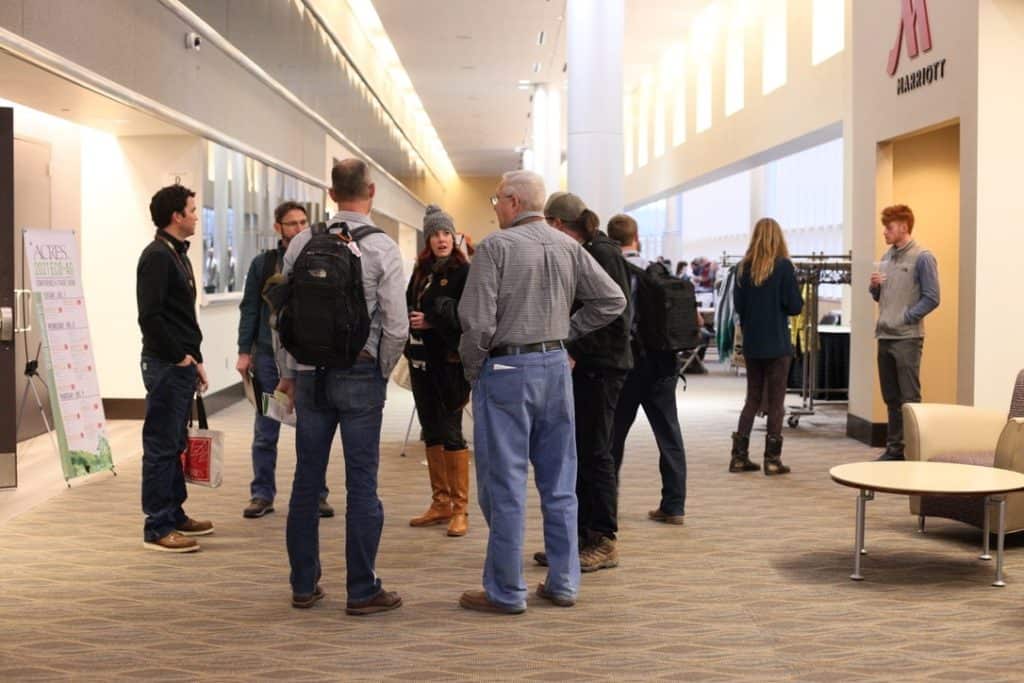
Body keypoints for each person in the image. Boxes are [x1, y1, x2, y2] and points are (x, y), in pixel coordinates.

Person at [457, 171, 625, 614]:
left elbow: (476, 323)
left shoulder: (496, 248)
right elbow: (612, 300)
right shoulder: (568, 246)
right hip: (555, 368)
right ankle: (564, 583)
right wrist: (563, 335)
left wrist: (473, 372)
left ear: (512, 202)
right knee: (560, 483)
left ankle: (507, 591)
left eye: (496, 200)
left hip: (508, 368)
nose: (495, 208)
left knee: (505, 484)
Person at [275, 159, 408, 614]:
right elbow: (396, 325)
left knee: (306, 481)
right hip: (359, 373)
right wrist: (380, 367)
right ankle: (362, 589)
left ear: (331, 195)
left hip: (310, 376)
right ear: (371, 190)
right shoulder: (383, 248)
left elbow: (283, 318)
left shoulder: (302, 243)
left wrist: (289, 373)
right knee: (362, 484)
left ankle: (303, 584)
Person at [537, 192, 632, 573]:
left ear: (559, 224)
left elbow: (615, 314)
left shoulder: (601, 253)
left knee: (596, 453)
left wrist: (572, 341)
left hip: (602, 368)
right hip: (588, 365)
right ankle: (574, 539)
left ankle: (603, 539)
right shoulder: (588, 249)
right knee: (578, 453)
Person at [236, 202, 333, 519]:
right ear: (278, 227)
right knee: (267, 426)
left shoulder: (320, 259)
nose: (299, 228)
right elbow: (250, 308)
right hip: (269, 359)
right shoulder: (264, 264)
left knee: (312, 428)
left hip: (307, 360)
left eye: (303, 222)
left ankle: (316, 494)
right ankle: (262, 493)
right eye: (291, 223)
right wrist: (244, 352)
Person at [136, 184, 212, 553]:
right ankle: (158, 526)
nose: (197, 216)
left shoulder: (177, 254)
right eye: (193, 210)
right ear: (176, 216)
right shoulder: (157, 257)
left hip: (181, 364)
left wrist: (194, 360)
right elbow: (150, 316)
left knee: (176, 443)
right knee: (162, 446)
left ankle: (175, 513)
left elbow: (181, 317)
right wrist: (179, 357)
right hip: (166, 365)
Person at [607, 214, 688, 526]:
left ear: (611, 241)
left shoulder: (612, 271)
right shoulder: (658, 270)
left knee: (612, 437)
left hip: (626, 364)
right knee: (669, 433)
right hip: (662, 363)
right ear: (636, 238)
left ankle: (607, 504)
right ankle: (674, 504)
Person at [406, 205, 472, 537]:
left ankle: (460, 508)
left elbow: (468, 318)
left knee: (451, 433)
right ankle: (440, 502)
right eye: (435, 234)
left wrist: (431, 322)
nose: (442, 239)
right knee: (431, 432)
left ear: (453, 236)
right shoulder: (421, 271)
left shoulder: (463, 272)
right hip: (419, 362)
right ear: (428, 239)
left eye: (446, 233)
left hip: (448, 364)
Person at [729, 218, 804, 475]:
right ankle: (772, 460)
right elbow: (795, 306)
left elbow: (738, 307)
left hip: (752, 343)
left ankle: (739, 456)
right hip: (777, 344)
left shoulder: (742, 268)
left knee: (752, 398)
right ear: (777, 238)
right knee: (776, 402)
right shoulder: (784, 267)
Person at [869, 204, 939, 461]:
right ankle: (895, 449)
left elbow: (932, 298)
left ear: (903, 227)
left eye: (888, 227)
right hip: (884, 336)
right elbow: (881, 297)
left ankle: (914, 451)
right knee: (891, 397)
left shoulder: (923, 257)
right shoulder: (887, 257)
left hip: (907, 338)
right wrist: (874, 288)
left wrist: (906, 317)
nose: (884, 232)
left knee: (909, 398)